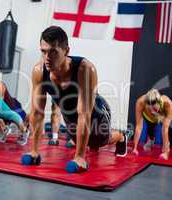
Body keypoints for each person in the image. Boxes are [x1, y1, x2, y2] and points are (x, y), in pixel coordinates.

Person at [23, 26, 127, 173]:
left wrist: (79, 157)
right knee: (83, 142)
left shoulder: (85, 69)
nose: (47, 57)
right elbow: (37, 113)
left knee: (99, 141)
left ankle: (121, 136)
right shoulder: (39, 71)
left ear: (66, 51)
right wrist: (34, 151)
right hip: (70, 115)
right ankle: (88, 145)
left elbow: (84, 114)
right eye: (43, 51)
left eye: (53, 52)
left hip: (96, 110)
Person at [132, 89, 172, 160]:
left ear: (158, 102)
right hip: (150, 117)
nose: (152, 111)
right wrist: (135, 148)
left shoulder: (167, 103)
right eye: (149, 108)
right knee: (151, 126)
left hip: (164, 113)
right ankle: (151, 139)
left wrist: (165, 152)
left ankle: (167, 146)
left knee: (164, 129)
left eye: (154, 108)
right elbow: (139, 126)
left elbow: (165, 129)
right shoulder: (140, 102)